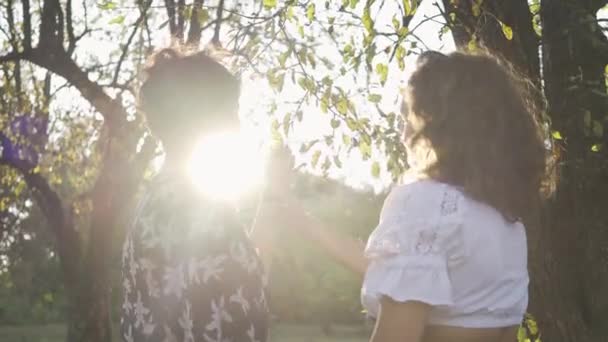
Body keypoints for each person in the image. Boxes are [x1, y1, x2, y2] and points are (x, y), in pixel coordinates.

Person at [256, 51, 552, 342]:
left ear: (437, 124)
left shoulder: (426, 204)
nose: (403, 132)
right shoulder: (506, 224)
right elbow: (405, 271)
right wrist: (304, 223)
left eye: (408, 116)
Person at [120, 48, 269, 342]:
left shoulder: (153, 201)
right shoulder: (202, 209)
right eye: (230, 110)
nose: (238, 124)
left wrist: (273, 203)